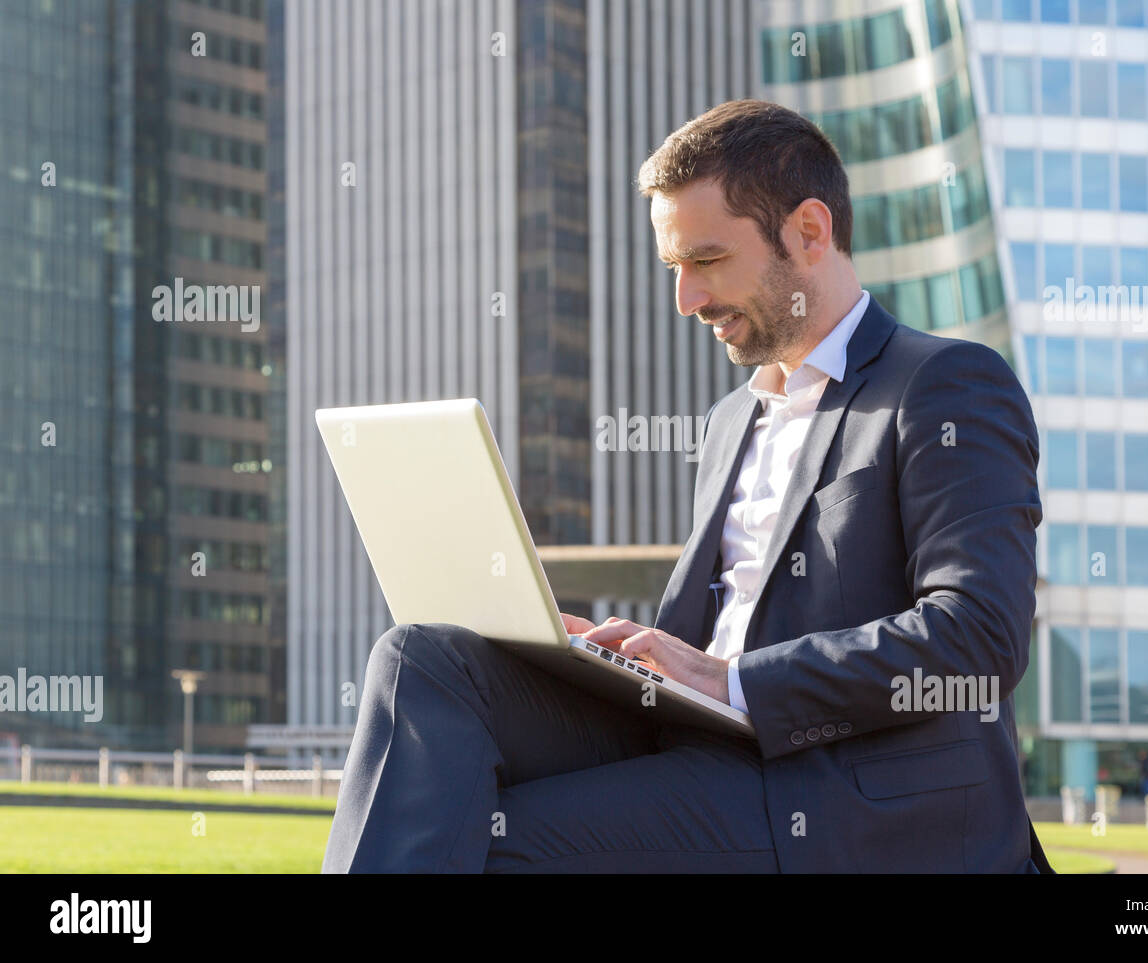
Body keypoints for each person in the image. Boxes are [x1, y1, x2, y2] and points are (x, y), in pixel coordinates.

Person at [321, 100, 1048, 873]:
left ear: (809, 231)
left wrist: (734, 679)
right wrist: (579, 655)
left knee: (492, 839)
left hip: (843, 795)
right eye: (675, 269)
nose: (687, 301)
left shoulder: (942, 385)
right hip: (698, 742)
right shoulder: (731, 419)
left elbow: (978, 637)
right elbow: (710, 635)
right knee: (422, 661)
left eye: (706, 261)